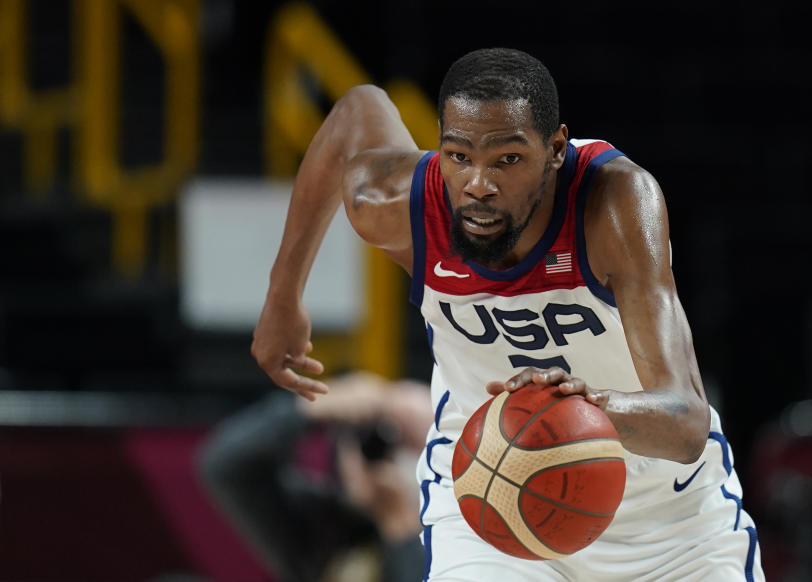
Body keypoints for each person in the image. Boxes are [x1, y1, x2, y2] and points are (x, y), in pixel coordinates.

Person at [251, 47, 765, 581]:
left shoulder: (613, 205)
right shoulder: (399, 205)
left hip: (666, 522)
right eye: (459, 156)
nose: (478, 184)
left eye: (507, 160)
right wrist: (282, 297)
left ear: (556, 150)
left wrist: (580, 410)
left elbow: (685, 424)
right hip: (493, 493)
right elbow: (356, 110)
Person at [198, 371, 431, 582]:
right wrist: (309, 407)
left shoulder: (461, 525)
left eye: (407, 438)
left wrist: (403, 531)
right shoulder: (326, 528)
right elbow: (226, 469)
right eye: (370, 438)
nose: (385, 454)